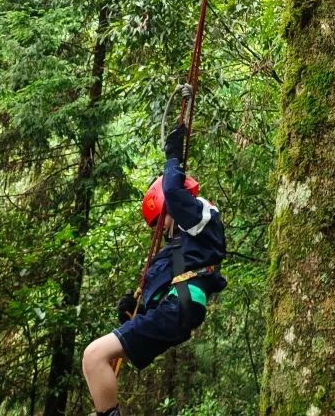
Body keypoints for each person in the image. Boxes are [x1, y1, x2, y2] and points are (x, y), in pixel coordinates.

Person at [81, 124, 226, 416]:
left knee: (94, 355)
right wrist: (135, 307)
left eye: (160, 222)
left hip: (181, 306)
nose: (160, 232)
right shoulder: (182, 249)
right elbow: (173, 281)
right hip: (178, 307)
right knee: (96, 358)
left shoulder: (201, 216)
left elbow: (173, 191)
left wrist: (173, 156)